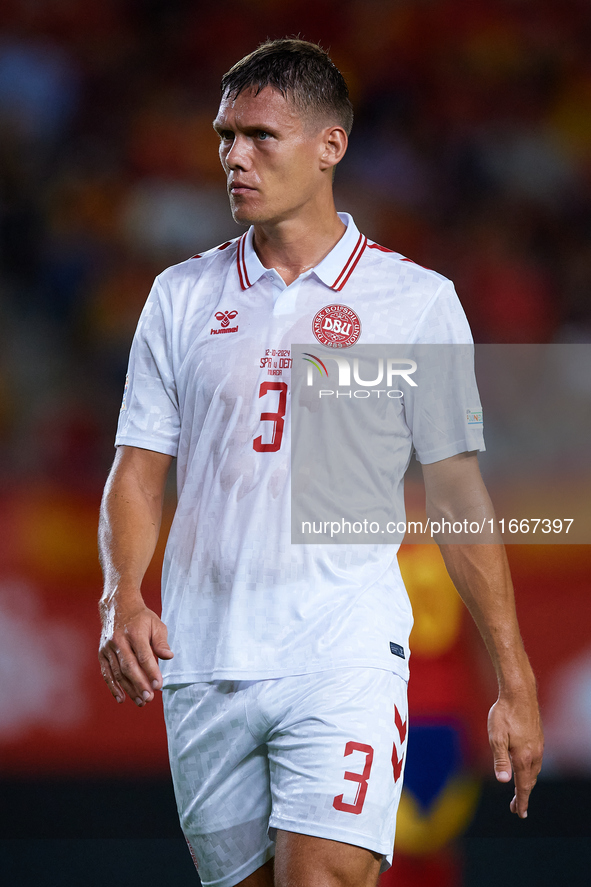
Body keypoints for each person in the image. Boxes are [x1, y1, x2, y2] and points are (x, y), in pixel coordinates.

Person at [98, 39, 543, 887]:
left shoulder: (414, 301)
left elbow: (456, 492)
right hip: (205, 662)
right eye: (225, 136)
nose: (234, 156)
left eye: (260, 136)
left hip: (342, 652)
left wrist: (511, 676)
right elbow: (138, 466)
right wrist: (122, 592)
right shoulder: (180, 296)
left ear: (328, 146)